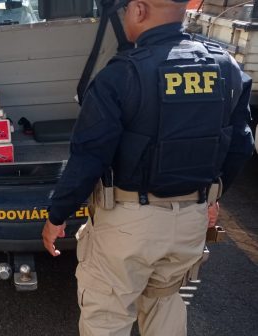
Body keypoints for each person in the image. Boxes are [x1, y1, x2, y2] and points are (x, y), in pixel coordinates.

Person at [41, 0, 254, 335]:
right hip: (190, 221)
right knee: (165, 302)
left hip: (129, 225)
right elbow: (241, 145)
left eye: (124, 10)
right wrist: (210, 197)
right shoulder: (225, 66)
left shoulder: (121, 74)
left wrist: (57, 216)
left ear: (138, 9)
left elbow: (88, 157)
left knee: (107, 315)